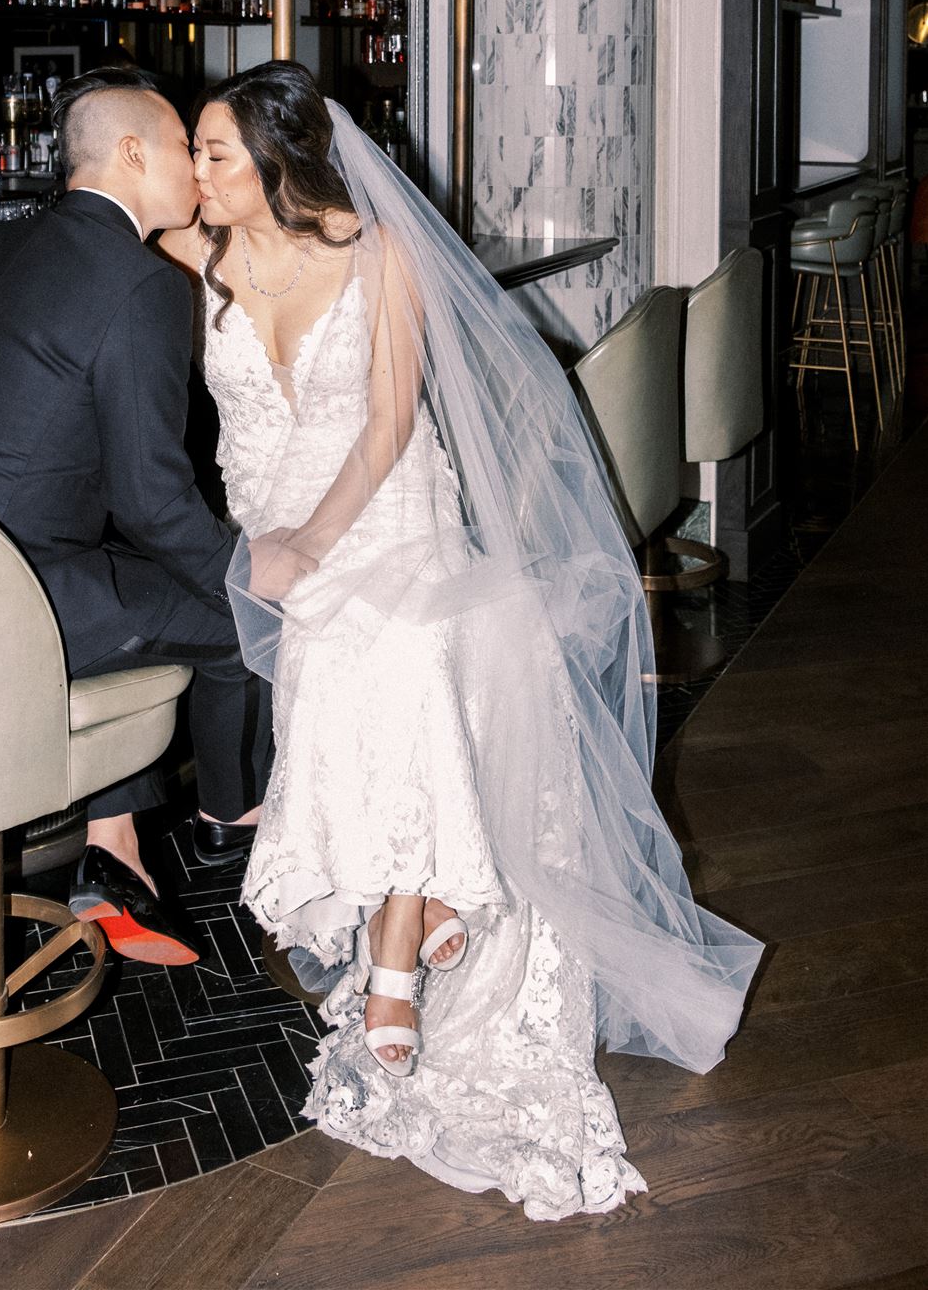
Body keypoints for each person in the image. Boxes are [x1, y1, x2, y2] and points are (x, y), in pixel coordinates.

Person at [157, 61, 762, 1221]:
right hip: (265, 524)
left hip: (382, 513)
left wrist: (311, 547)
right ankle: (428, 892)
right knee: (359, 678)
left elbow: (389, 424)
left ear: (279, 162)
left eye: (215, 151)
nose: (196, 170)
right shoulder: (200, 255)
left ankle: (397, 951)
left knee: (396, 662)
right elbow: (91, 252)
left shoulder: (379, 256)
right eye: (189, 150)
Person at [0, 65, 270, 966]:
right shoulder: (141, 285)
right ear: (133, 154)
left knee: (136, 593)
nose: (196, 171)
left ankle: (111, 852)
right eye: (183, 148)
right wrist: (247, 577)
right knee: (245, 622)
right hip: (23, 597)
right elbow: (152, 501)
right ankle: (230, 817)